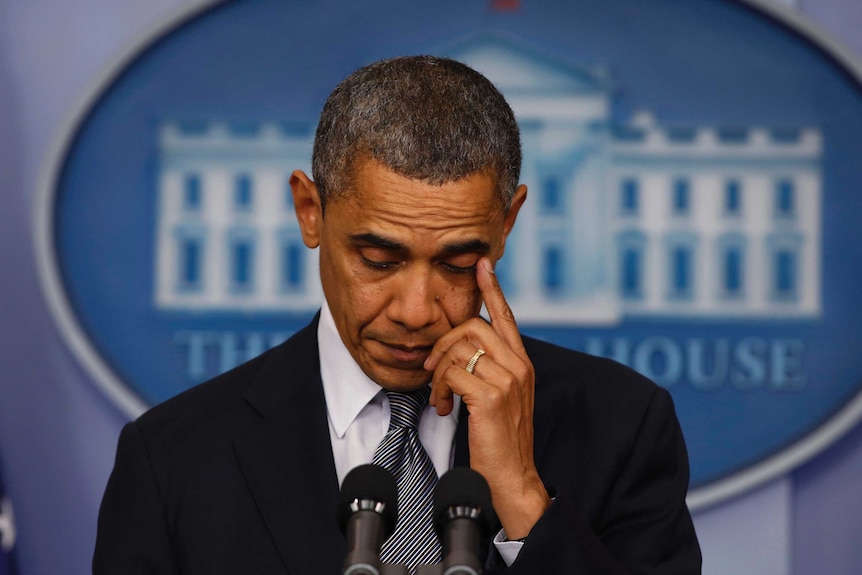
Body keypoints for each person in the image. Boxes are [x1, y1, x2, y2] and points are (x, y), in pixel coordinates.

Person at [93, 55, 701, 574]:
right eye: (379, 259)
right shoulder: (172, 458)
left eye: (460, 264)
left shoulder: (625, 425)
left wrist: (522, 501)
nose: (416, 312)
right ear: (310, 211)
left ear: (507, 223)